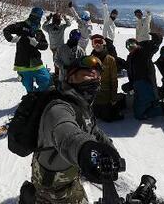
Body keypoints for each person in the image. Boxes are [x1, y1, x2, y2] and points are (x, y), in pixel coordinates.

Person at [19, 56, 122, 204]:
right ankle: (30, 196)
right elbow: (66, 132)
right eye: (88, 73)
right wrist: (85, 149)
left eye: (98, 76)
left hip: (70, 169)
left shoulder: (82, 105)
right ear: (71, 78)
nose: (95, 78)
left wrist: (109, 148)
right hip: (54, 182)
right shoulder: (58, 107)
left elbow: (93, 129)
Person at [122, 34, 164, 124]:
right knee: (135, 105)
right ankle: (154, 103)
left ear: (137, 45)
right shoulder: (130, 57)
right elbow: (128, 68)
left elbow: (152, 48)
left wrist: (156, 40)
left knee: (138, 115)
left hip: (145, 85)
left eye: (132, 44)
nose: (130, 47)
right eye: (128, 46)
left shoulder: (142, 53)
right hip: (138, 86)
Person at [3, 7, 51, 93]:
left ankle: (38, 95)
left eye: (37, 17)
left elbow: (45, 45)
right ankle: (31, 98)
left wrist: (37, 44)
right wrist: (10, 38)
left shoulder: (38, 31)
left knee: (46, 80)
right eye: (33, 16)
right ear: (30, 15)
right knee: (29, 89)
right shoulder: (21, 26)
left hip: (36, 63)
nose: (35, 18)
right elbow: (6, 30)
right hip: (22, 64)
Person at [90, 34, 124, 122]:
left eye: (99, 42)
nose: (97, 45)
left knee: (107, 117)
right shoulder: (90, 59)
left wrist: (113, 97)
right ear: (92, 45)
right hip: (95, 94)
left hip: (106, 94)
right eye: (95, 42)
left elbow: (114, 80)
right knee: (95, 115)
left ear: (104, 44)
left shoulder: (110, 59)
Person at [42, 13, 71, 78]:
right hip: (59, 47)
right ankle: (59, 73)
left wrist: (48, 20)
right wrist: (65, 17)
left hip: (55, 47)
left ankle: (59, 73)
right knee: (60, 60)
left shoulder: (49, 27)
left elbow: (43, 27)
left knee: (57, 60)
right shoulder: (61, 26)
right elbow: (69, 24)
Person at [101, 0, 126, 72]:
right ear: (111, 14)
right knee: (113, 56)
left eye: (115, 15)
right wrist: (105, 4)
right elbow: (105, 12)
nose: (114, 15)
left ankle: (116, 68)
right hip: (106, 40)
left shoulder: (113, 23)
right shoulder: (107, 19)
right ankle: (117, 69)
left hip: (110, 42)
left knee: (111, 56)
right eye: (113, 14)